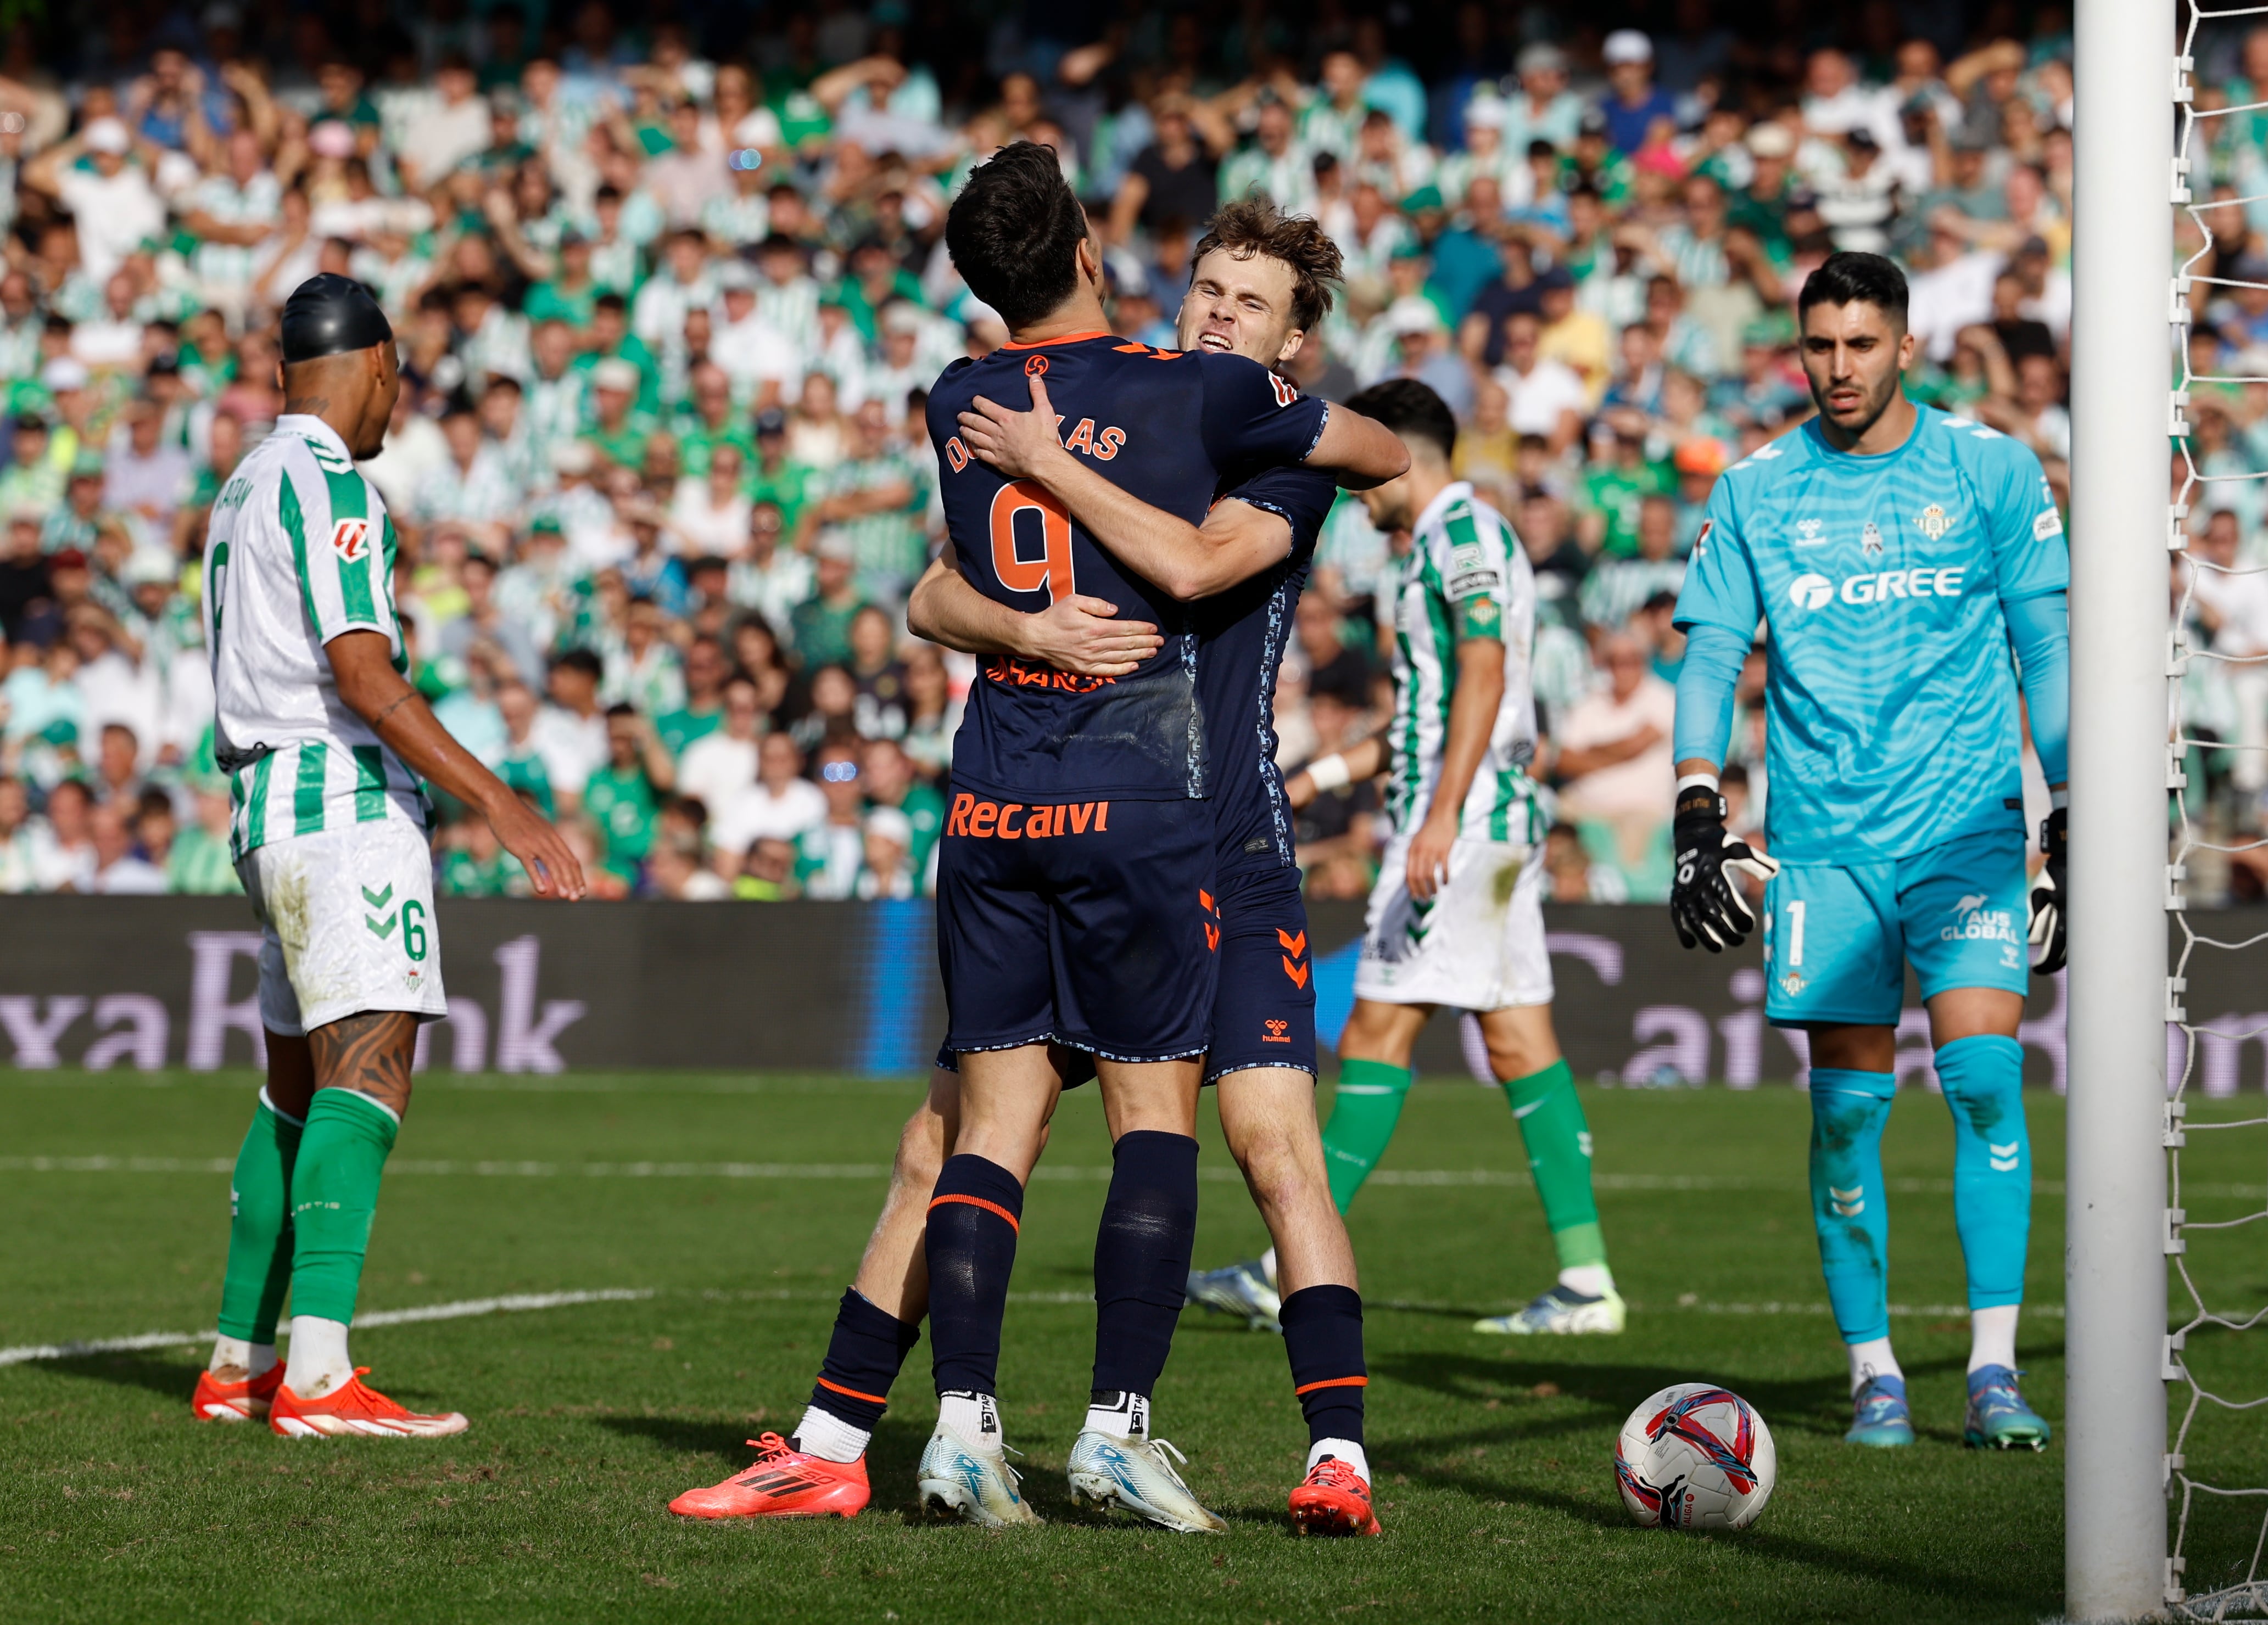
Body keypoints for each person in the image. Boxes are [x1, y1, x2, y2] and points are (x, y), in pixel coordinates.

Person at [667, 147, 1401, 1534]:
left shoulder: (1239, 444)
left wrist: (1053, 465)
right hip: (1116, 818)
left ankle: (1333, 1456)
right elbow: (935, 598)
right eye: (1207, 287)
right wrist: (1024, 618)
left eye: (1251, 304)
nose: (1218, 315)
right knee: (944, 1135)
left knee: (1268, 1144)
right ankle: (857, 1433)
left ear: (1297, 346)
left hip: (1219, 846)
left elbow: (1199, 560)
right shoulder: (1180, 398)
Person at [1666, 250, 2069, 1453]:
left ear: (1904, 346)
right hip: (1825, 847)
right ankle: (1873, 1371)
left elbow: (2043, 644)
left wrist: (2075, 806)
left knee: (1984, 1078)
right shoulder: (1753, 491)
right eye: (1817, 346)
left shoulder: (1989, 468)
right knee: (1846, 1116)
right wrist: (1696, 808)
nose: (1836, 368)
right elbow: (1706, 656)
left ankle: (1992, 1368)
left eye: (1858, 344)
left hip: (1968, 834)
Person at [190, 274, 583, 1439]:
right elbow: (363, 673)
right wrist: (499, 802)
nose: (399, 396)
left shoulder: (243, 483)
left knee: (293, 1093)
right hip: (337, 800)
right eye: (399, 373)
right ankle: (317, 1374)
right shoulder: (330, 482)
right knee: (367, 1073)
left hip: (263, 807)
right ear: (375, 364)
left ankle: (237, 1360)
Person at [1224, 379, 1623, 1338]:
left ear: (1402, 446)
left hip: (1467, 824)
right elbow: (1424, 715)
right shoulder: (1440, 547)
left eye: (1362, 457)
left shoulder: (1462, 535)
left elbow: (1484, 673)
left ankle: (1287, 1267)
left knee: (1374, 1036)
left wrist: (1440, 816)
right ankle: (1586, 1280)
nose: (1355, 483)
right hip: (1482, 816)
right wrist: (1314, 779)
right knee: (1520, 1042)